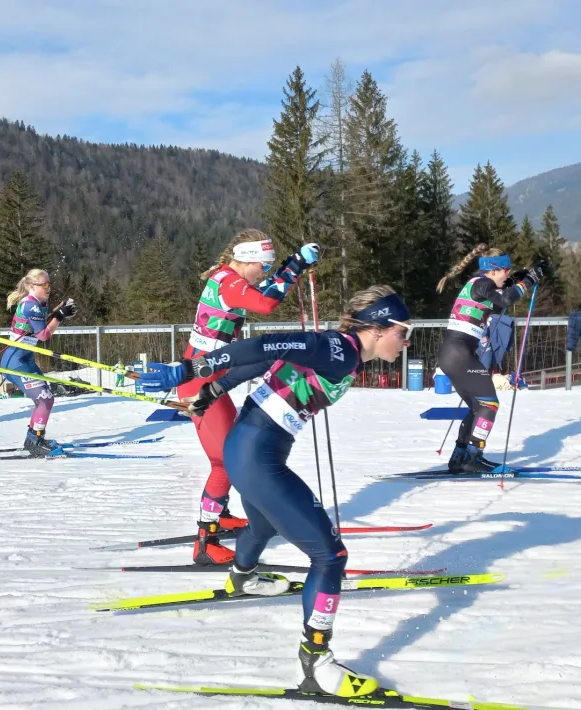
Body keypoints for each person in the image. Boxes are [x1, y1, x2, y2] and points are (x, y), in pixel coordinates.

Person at [140, 285, 411, 699]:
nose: (406, 341)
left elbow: (269, 359)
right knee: (330, 556)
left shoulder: (343, 353)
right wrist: (192, 371)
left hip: (247, 450)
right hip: (256, 454)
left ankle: (242, 577)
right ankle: (318, 665)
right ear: (376, 328)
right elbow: (263, 343)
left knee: (263, 524)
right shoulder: (339, 349)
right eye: (402, 331)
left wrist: (212, 389)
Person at [180, 229, 320, 565]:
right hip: (199, 382)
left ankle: (221, 514)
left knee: (231, 454)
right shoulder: (229, 282)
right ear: (246, 259)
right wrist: (295, 267)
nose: (266, 273)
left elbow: (261, 295)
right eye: (265, 266)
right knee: (226, 461)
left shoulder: (229, 277)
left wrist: (290, 267)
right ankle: (205, 542)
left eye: (270, 267)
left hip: (213, 377)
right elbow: (266, 304)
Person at [435, 243, 547, 473]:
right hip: (459, 353)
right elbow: (505, 299)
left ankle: (460, 456)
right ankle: (474, 456)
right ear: (494, 270)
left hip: (452, 353)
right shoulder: (483, 283)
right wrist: (527, 282)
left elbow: (502, 295)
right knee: (489, 404)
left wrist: (523, 276)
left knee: (477, 406)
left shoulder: (479, 285)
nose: (508, 275)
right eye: (506, 270)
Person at [0, 269, 77, 458]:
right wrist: (60, 316)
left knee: (44, 399)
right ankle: (35, 441)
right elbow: (43, 335)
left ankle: (34, 438)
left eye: (49, 284)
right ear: (32, 286)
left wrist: (61, 312)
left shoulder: (41, 303)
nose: (48, 288)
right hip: (15, 361)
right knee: (45, 399)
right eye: (44, 285)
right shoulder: (31, 305)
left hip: (25, 358)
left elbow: (41, 325)